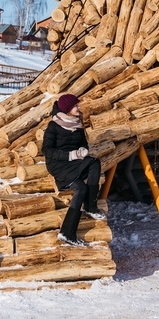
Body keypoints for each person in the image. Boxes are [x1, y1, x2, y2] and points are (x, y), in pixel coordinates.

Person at [41, 93, 105, 247]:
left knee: (94, 162)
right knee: (81, 188)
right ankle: (67, 233)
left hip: (74, 162)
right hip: (58, 165)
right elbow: (47, 150)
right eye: (76, 106)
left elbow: (83, 144)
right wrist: (71, 155)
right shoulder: (54, 126)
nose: (78, 107)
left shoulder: (77, 123)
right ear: (68, 109)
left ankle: (90, 206)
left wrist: (83, 150)